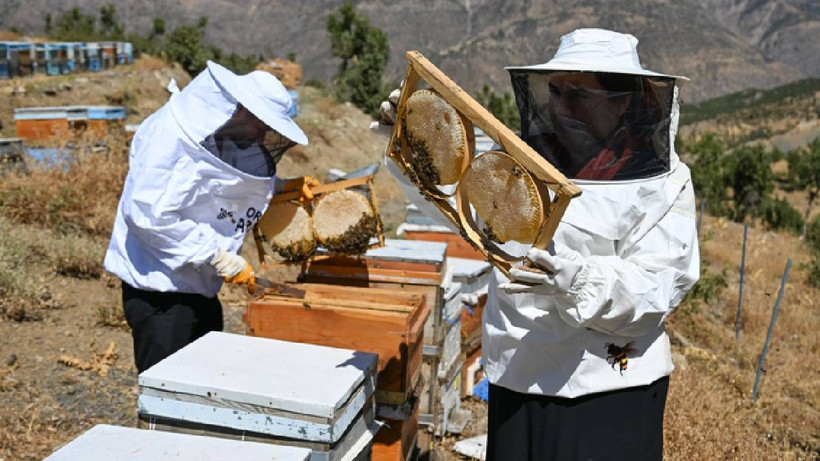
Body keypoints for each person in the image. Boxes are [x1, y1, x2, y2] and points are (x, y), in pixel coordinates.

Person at [378, 29, 699, 460]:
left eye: (579, 95)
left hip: (609, 386)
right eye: (556, 91)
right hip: (519, 374)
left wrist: (577, 280)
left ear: (623, 101)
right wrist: (416, 149)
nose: (561, 106)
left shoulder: (665, 184)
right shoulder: (525, 158)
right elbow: (466, 210)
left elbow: (660, 284)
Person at [104, 61, 315, 374]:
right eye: (261, 124)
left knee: (206, 388)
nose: (263, 134)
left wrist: (285, 189)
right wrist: (216, 256)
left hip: (199, 289)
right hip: (160, 294)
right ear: (241, 110)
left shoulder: (220, 132)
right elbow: (148, 216)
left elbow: (220, 185)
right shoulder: (170, 138)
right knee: (167, 395)